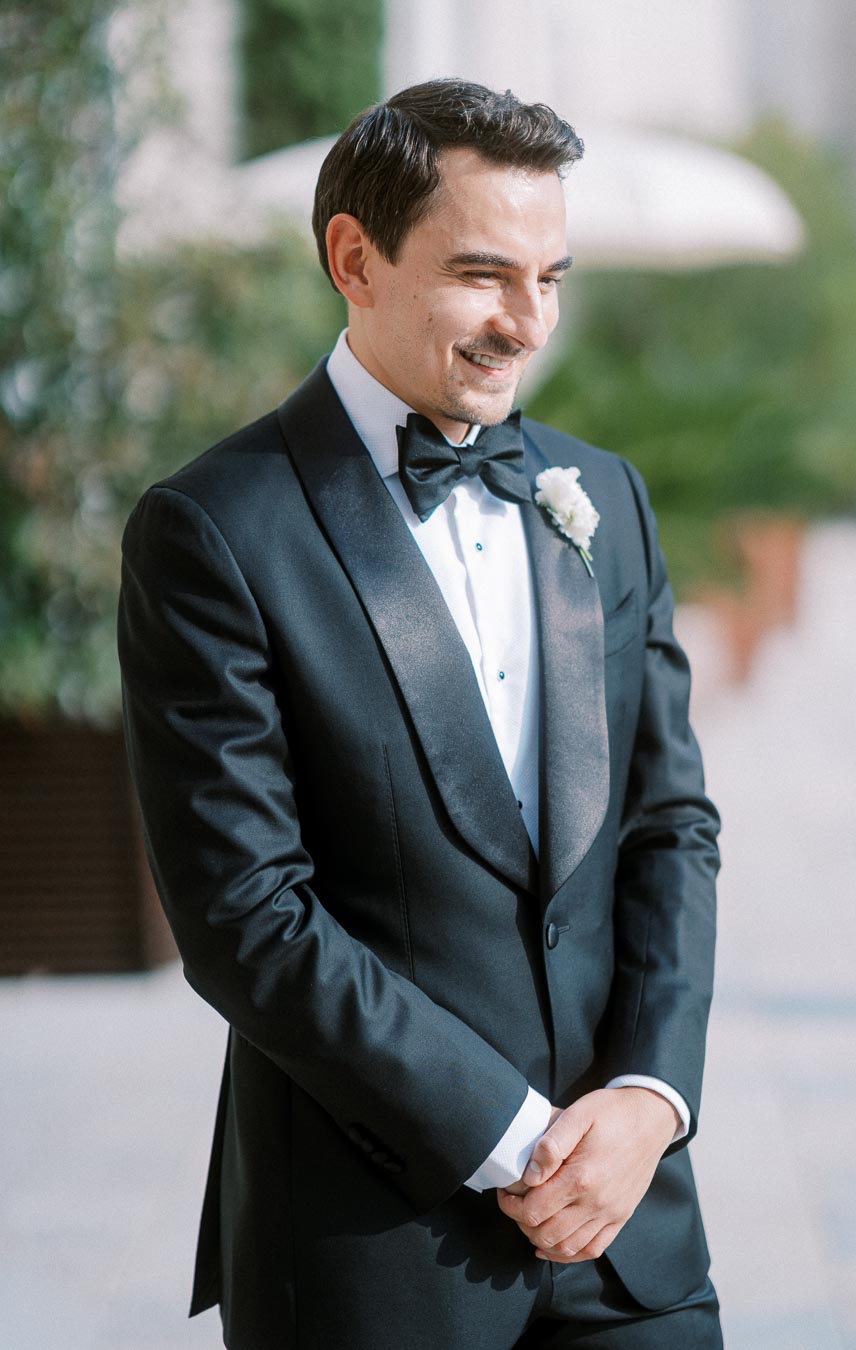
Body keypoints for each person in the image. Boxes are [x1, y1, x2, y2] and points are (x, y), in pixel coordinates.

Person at [117, 79, 722, 1349]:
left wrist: (650, 1103)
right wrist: (516, 1146)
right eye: (485, 275)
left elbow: (669, 828)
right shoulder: (215, 531)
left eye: (552, 277)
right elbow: (245, 917)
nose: (528, 322)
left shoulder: (598, 496)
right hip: (373, 1257)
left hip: (631, 1241)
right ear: (354, 257)